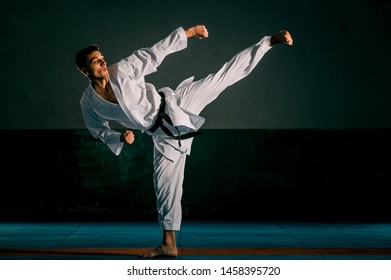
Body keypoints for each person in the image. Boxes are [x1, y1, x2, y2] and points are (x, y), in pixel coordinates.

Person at [75, 24, 293, 258]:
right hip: (161, 134)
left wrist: (189, 32)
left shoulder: (123, 70)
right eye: (95, 61)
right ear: (84, 70)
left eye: (102, 58)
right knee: (165, 186)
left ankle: (268, 42)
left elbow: (154, 52)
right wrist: (119, 136)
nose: (102, 62)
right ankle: (169, 245)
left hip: (176, 103)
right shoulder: (89, 103)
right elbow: (97, 129)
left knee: (222, 77)